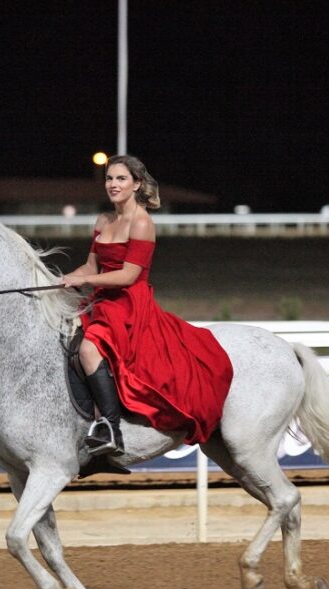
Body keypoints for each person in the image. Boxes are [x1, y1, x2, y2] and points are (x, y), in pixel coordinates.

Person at [62, 155, 234, 475]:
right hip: (102, 299)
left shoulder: (142, 222)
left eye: (121, 179)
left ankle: (109, 428)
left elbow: (128, 276)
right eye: (109, 178)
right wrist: (62, 281)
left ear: (136, 184)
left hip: (128, 303)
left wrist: (85, 280)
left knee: (88, 348)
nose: (113, 184)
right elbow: (90, 267)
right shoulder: (102, 221)